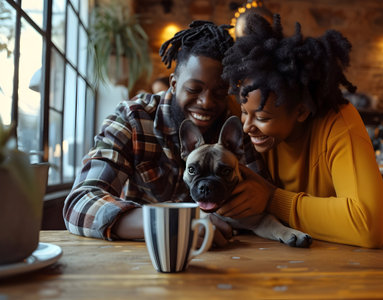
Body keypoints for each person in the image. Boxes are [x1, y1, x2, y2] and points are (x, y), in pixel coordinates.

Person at [63, 20, 255, 242]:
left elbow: (259, 194)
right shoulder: (133, 118)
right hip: (144, 256)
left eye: (220, 92)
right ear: (173, 84)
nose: (206, 102)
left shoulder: (234, 128)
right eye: (194, 89)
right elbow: (80, 204)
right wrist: (173, 223)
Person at [219, 13, 383, 248]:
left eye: (262, 117)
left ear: (301, 111)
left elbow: (369, 225)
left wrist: (271, 198)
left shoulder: (338, 123)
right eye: (244, 112)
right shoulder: (247, 120)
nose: (247, 127)